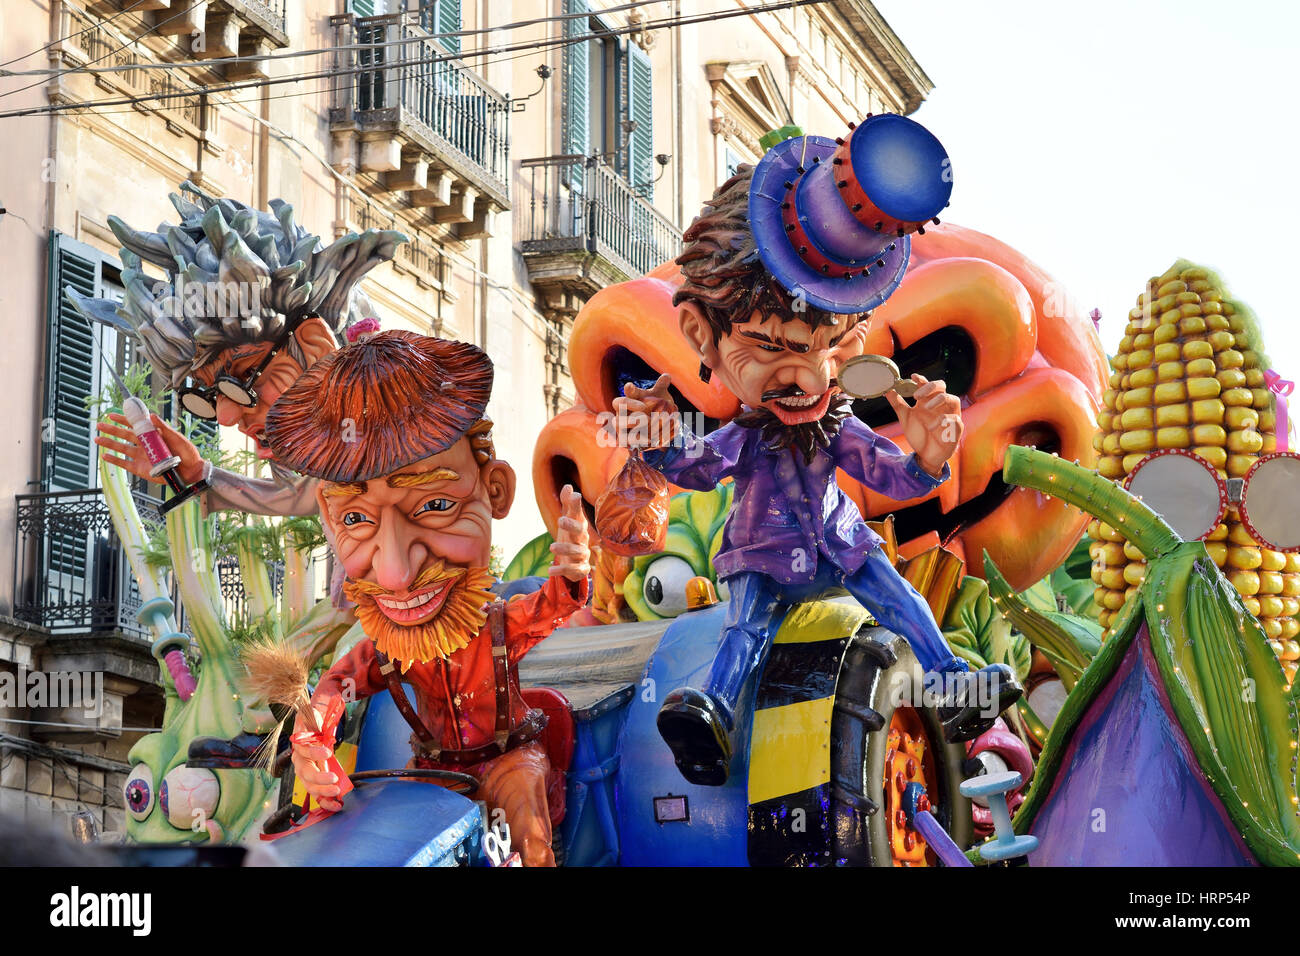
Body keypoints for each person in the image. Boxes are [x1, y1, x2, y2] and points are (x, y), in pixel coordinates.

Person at [610, 115, 1023, 786]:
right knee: (743, 628)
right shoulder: (747, 434)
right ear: (702, 337)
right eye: (768, 347)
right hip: (762, 556)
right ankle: (711, 717)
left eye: (822, 348)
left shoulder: (836, 427)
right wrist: (656, 441)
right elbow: (697, 468)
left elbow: (893, 476)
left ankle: (952, 688)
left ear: (851, 346)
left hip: (840, 546)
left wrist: (925, 455)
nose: (802, 376)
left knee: (902, 599)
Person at [269, 331, 592, 867]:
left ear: (495, 491)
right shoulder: (387, 652)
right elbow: (335, 686)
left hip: (509, 761)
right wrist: (312, 745)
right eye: (355, 519)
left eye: (436, 503)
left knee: (528, 834)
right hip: (433, 777)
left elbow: (552, 605)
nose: (395, 573)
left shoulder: (498, 627)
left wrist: (572, 569)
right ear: (330, 519)